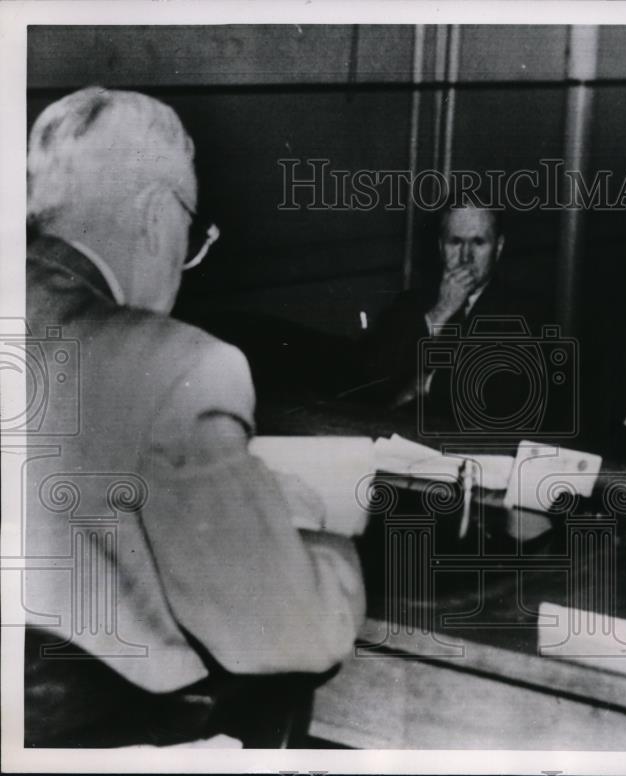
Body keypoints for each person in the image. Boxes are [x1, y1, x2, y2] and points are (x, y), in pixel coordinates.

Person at [23, 87, 364, 746]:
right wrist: (327, 538)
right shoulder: (181, 365)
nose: (187, 263)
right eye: (190, 234)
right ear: (155, 217)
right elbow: (284, 633)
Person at [361, 205, 554, 433]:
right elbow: (372, 381)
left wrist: (425, 386)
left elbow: (504, 399)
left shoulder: (528, 314)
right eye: (455, 242)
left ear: (498, 247)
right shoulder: (410, 304)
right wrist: (440, 312)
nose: (466, 257)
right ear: (441, 247)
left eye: (479, 242)